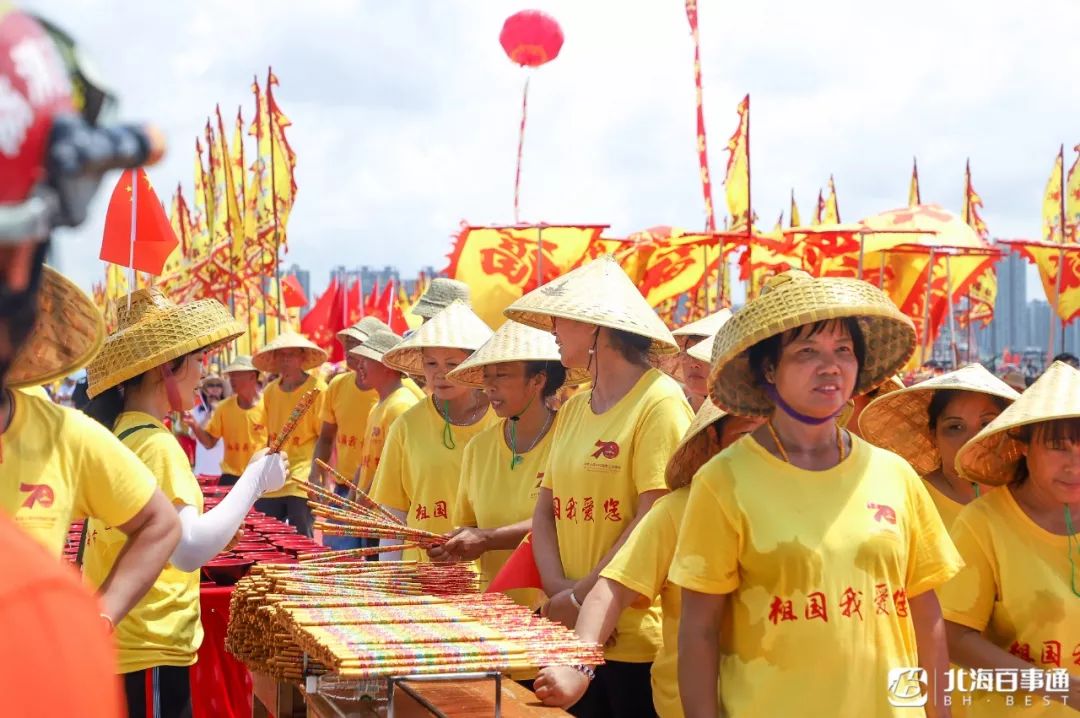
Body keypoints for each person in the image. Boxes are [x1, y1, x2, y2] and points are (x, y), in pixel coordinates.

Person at [670, 270, 963, 718]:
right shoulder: (724, 481)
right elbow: (698, 632)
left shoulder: (894, 475)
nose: (830, 366)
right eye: (807, 351)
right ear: (769, 369)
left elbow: (927, 618)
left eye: (842, 350)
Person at [504, 255, 694, 718]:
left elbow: (652, 518)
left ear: (595, 328)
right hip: (568, 627)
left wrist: (580, 596)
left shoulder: (660, 402)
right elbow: (546, 508)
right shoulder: (572, 409)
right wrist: (559, 593)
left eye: (562, 318)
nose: (552, 327)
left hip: (633, 638)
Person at [83, 288, 287, 717]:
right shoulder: (156, 444)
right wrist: (254, 479)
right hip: (148, 641)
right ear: (166, 368)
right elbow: (189, 547)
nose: (203, 371)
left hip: (130, 640)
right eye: (197, 360)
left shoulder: (121, 433)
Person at [534, 399, 763, 715]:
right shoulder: (678, 512)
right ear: (714, 441)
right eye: (748, 437)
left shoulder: (816, 514)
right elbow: (611, 590)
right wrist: (579, 664)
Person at [941, 360, 1080, 713]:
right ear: (1025, 446)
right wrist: (1051, 685)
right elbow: (954, 636)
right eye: (1058, 447)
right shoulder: (984, 523)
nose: (1074, 465)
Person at [434, 321, 586, 604]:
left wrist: (488, 538)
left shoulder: (573, 439)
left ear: (538, 381)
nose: (489, 386)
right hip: (498, 612)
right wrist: (451, 549)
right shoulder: (478, 449)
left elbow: (565, 520)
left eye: (502, 375)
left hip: (561, 609)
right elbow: (468, 527)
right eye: (487, 376)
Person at [370, 301, 497, 561]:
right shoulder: (406, 426)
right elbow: (394, 515)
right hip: (422, 572)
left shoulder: (504, 421)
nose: (440, 374)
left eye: (451, 364)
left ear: (473, 364)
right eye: (431, 364)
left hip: (491, 576)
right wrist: (391, 583)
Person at [860, 363, 1019, 528]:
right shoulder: (909, 500)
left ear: (1005, 430)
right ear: (934, 435)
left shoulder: (1024, 500)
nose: (971, 439)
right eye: (955, 427)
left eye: (986, 424)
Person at [252, 332, 328, 536]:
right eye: (281, 355)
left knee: (301, 535)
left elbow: (325, 437)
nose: (285, 360)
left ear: (302, 358)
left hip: (302, 475)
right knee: (266, 534)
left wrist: (317, 476)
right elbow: (267, 436)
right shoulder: (269, 392)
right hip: (275, 472)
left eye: (291, 355)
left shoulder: (317, 389)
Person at [350, 329, 421, 496]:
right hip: (368, 511)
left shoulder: (401, 406)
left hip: (385, 512)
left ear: (387, 366)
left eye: (366, 360)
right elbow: (365, 464)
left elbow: (390, 467)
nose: (359, 366)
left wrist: (363, 503)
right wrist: (351, 499)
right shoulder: (377, 407)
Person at [187, 356, 267, 486]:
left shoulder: (268, 406)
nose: (231, 380)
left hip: (260, 476)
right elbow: (209, 443)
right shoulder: (223, 408)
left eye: (236, 375)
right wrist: (194, 425)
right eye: (230, 376)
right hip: (230, 478)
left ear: (252, 376)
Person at [665, 310, 732, 413]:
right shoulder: (670, 413)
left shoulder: (743, 420)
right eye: (688, 353)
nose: (694, 364)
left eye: (702, 355)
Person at [190, 374, 225, 477]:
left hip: (224, 472)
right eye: (211, 385)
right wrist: (209, 415)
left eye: (218, 385)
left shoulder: (229, 409)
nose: (215, 388)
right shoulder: (196, 411)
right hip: (203, 470)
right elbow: (193, 435)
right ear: (205, 389)